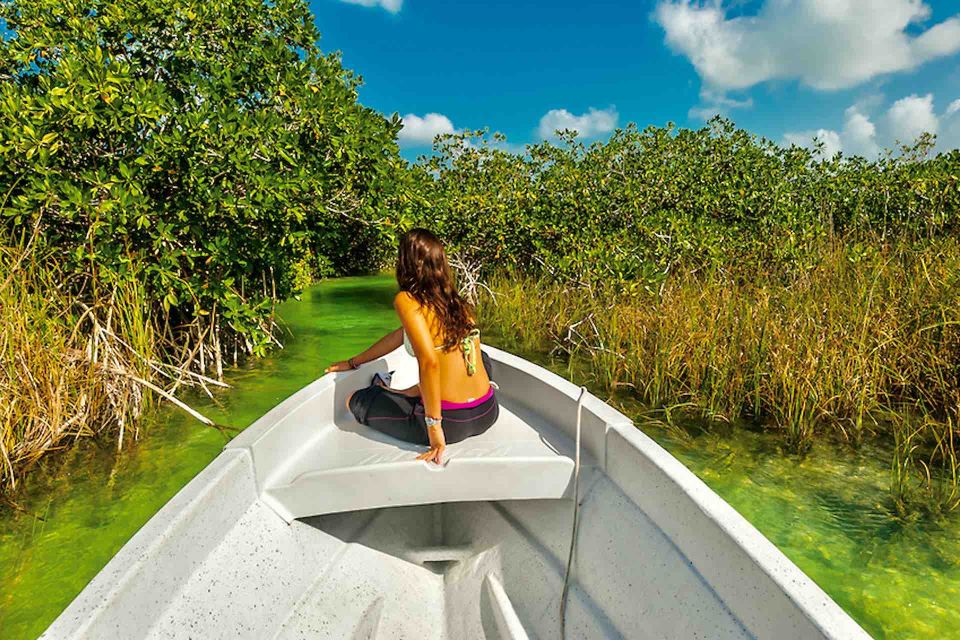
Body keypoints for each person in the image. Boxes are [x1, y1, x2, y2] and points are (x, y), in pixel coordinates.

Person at [325, 228, 499, 465]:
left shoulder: (407, 300)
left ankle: (402, 394)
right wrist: (355, 361)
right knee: (482, 356)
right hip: (488, 411)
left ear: (406, 262)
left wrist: (434, 430)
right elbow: (400, 336)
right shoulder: (455, 301)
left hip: (451, 423)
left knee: (356, 400)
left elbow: (430, 362)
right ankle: (408, 392)